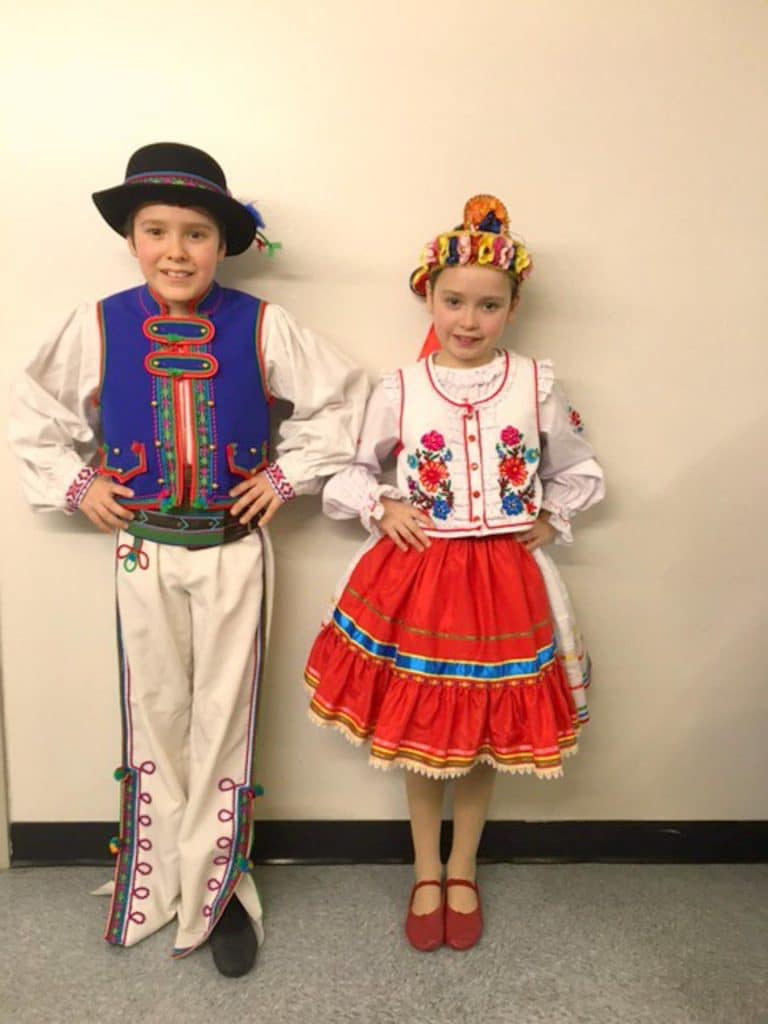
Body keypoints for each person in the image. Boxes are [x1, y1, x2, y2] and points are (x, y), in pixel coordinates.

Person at [9, 142, 369, 976]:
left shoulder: (263, 324)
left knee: (225, 722)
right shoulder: (98, 324)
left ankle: (220, 887)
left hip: (234, 552)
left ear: (224, 243)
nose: (176, 251)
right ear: (132, 240)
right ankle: (159, 879)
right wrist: (76, 485)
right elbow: (33, 414)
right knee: (156, 712)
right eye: (156, 231)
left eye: (196, 234)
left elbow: (348, 399)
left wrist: (284, 476)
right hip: (144, 552)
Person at [304, 195, 604, 952]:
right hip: (422, 580)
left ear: (512, 307)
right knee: (422, 734)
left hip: (506, 583)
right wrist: (381, 505)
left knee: (483, 735)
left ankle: (464, 865)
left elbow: (581, 470)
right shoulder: (401, 390)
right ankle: (425, 866)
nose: (468, 320)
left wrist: (551, 516)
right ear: (429, 297)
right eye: (454, 301)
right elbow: (345, 473)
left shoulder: (534, 383)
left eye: (488, 305)